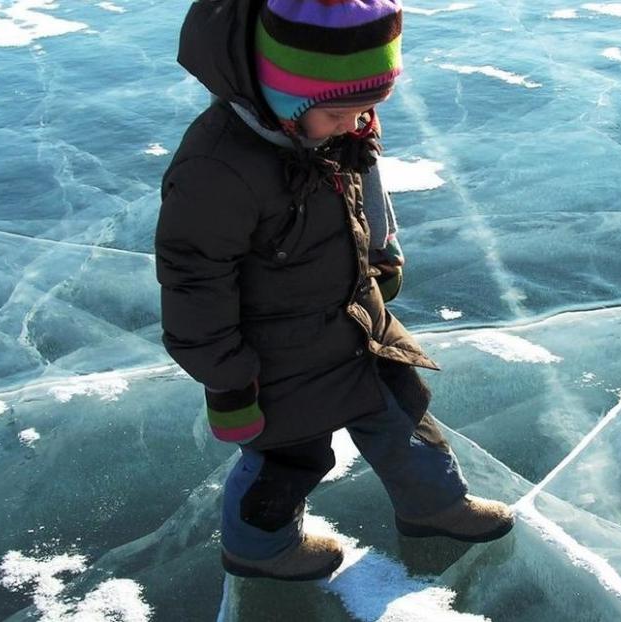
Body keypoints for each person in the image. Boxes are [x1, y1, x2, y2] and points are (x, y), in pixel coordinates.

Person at [154, 0, 514, 581]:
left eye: (367, 108)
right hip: (277, 358)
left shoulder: (337, 122)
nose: (356, 124)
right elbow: (194, 280)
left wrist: (381, 254)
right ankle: (259, 548)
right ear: (281, 100)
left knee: (404, 416)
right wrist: (227, 377)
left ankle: (435, 505)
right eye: (340, 114)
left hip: (356, 320)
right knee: (290, 458)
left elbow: (365, 187)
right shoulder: (217, 168)